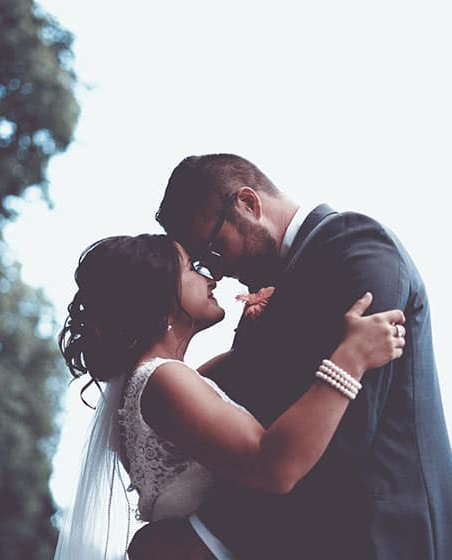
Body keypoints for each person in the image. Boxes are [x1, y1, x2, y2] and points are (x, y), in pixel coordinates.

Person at [133, 153, 452, 559]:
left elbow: (339, 440)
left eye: (214, 250)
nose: (219, 273)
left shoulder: (357, 247)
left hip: (389, 539)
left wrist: (204, 537)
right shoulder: (294, 277)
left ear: (248, 204)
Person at [53, 234, 406, 560]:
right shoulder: (162, 379)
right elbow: (274, 467)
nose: (212, 278)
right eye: (192, 268)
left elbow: (246, 362)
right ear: (160, 297)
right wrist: (352, 358)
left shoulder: (169, 380)